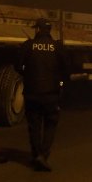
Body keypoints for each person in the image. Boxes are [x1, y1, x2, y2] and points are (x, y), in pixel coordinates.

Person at [18, 18, 69, 172]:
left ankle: (36, 155)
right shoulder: (58, 47)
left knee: (34, 125)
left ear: (38, 30)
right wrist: (60, 80)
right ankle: (43, 155)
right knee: (50, 124)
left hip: (32, 92)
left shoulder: (28, 46)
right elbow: (67, 68)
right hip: (51, 94)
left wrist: (27, 74)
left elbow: (17, 65)